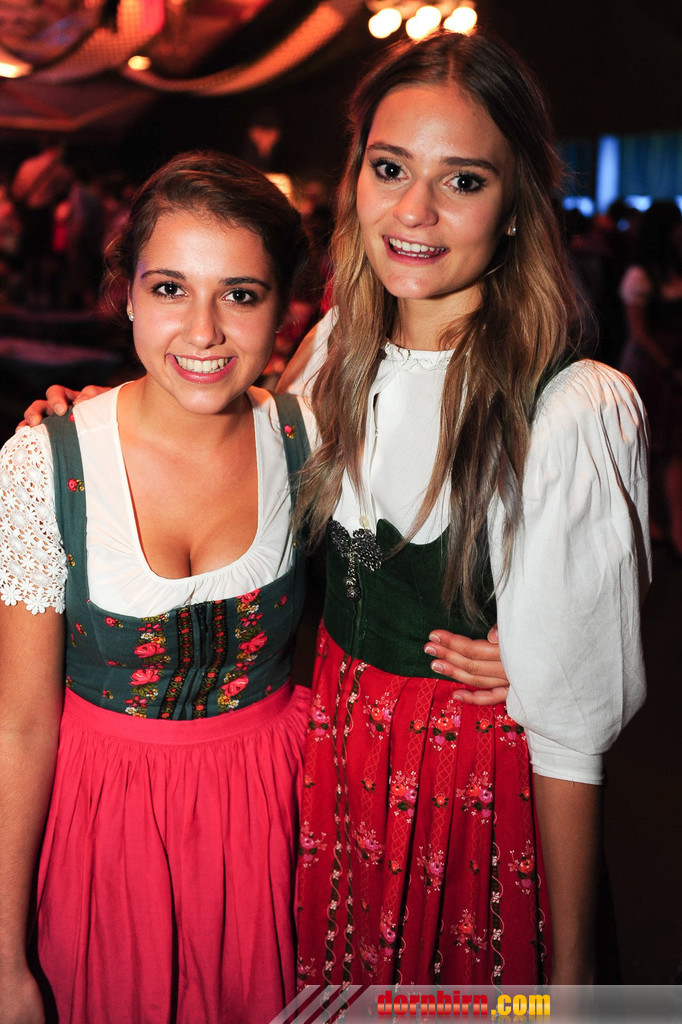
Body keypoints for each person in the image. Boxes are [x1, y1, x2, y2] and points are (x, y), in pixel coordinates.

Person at [278, 30, 650, 987]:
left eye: (464, 181)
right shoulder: (330, 352)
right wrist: (92, 422)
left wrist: (575, 981)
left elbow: (570, 734)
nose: (415, 210)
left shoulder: (566, 408)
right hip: (338, 769)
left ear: (516, 204)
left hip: (471, 801)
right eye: (390, 167)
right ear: (355, 178)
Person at [0, 151, 315, 1024]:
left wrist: (510, 655)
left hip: (274, 822)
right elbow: (19, 725)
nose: (203, 331)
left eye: (240, 294)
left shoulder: (309, 438)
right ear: (128, 294)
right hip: (103, 831)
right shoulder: (44, 462)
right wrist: (3, 959)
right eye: (171, 288)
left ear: (284, 307)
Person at [619, 199, 682, 560]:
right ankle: (655, 522)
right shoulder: (640, 276)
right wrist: (669, 365)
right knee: (649, 446)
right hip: (650, 368)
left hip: (670, 366)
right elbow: (639, 334)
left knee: (671, 447)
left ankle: (672, 525)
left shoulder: (670, 271)